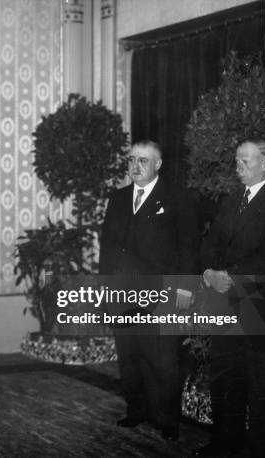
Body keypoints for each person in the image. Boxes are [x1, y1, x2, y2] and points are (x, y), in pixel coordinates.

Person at [195, 139, 265, 458]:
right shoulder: (231, 198)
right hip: (224, 299)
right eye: (237, 161)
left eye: (245, 162)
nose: (237, 167)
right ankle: (226, 442)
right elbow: (211, 241)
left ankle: (264, 450)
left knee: (262, 382)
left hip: (260, 302)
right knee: (225, 376)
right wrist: (209, 270)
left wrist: (230, 278)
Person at [99, 140, 199, 441]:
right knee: (129, 356)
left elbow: (189, 249)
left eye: (143, 160)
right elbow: (106, 249)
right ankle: (137, 409)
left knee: (163, 359)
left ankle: (167, 419)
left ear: (158, 164)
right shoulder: (117, 198)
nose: (135, 166)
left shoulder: (177, 198)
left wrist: (184, 291)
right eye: (131, 159)